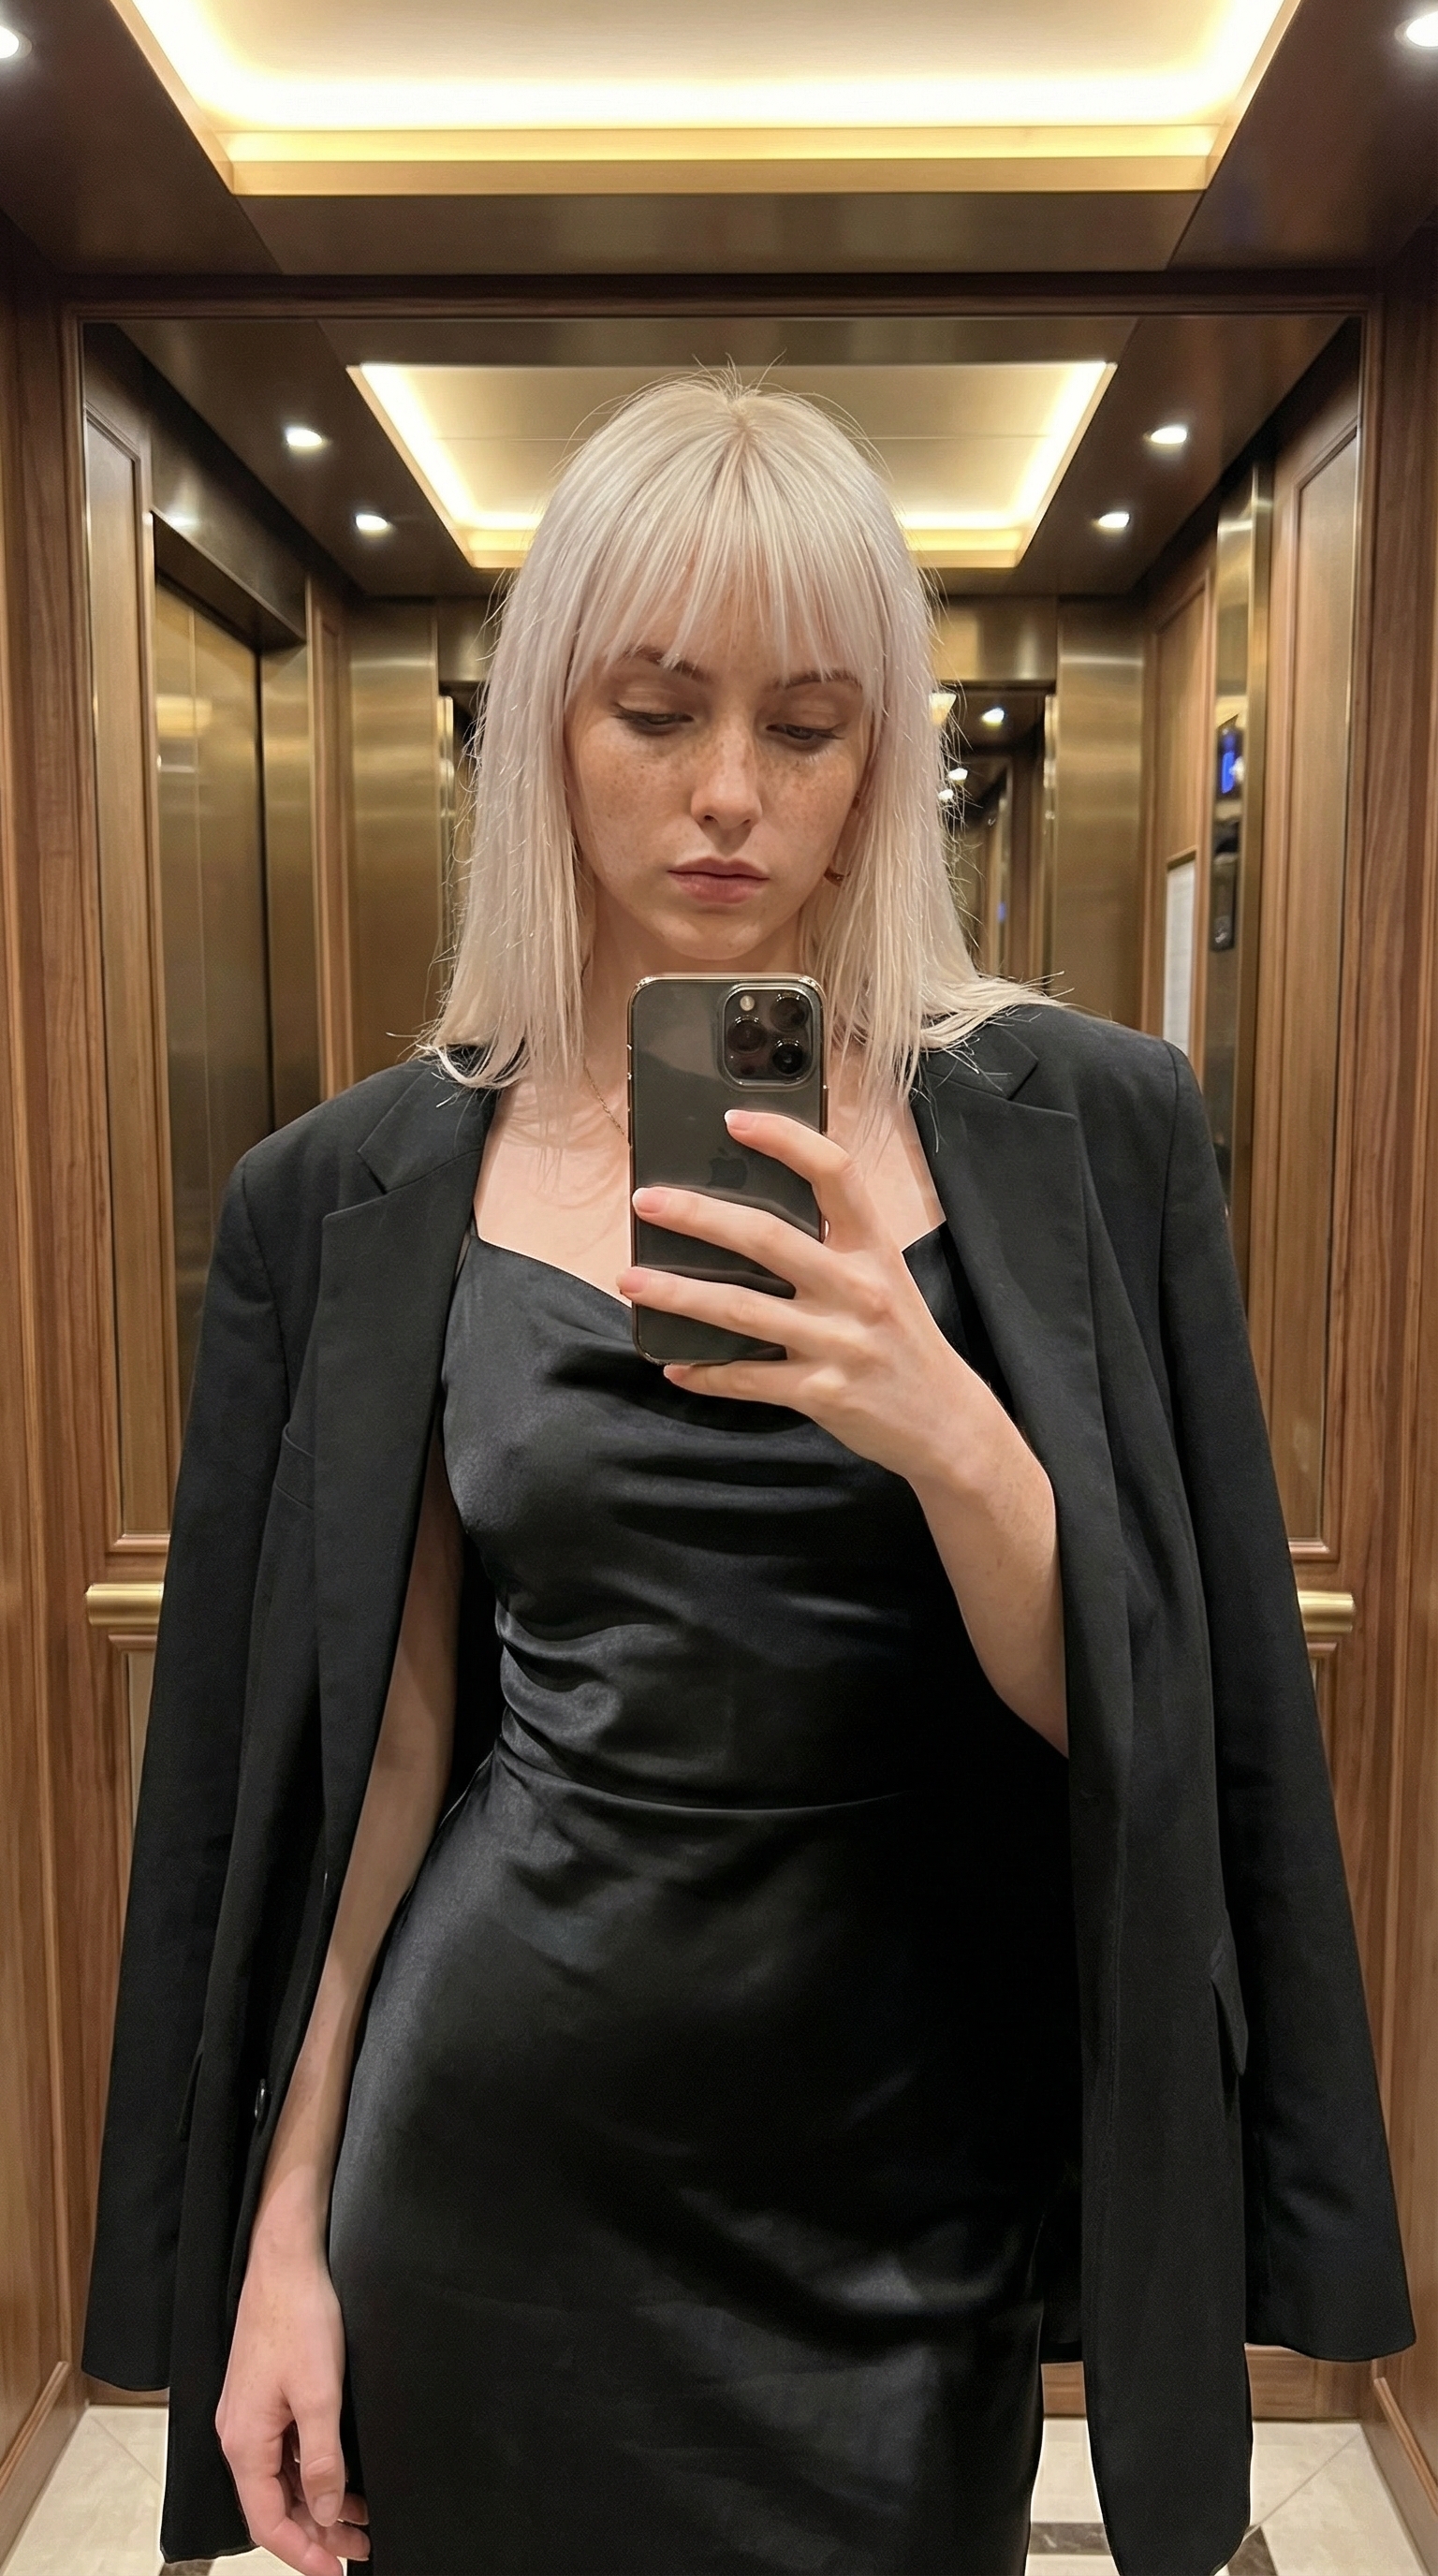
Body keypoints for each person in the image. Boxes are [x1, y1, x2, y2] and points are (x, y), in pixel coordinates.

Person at [82, 376, 1411, 2576]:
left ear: (884, 753)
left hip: (903, 2177)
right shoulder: (359, 1189)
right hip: (492, 2153)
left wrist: (946, 1423)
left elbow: (1147, 1723)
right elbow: (382, 1752)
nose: (728, 792)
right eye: (653, 709)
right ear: (544, 730)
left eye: (804, 725)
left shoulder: (1086, 1132)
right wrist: (285, 2228)